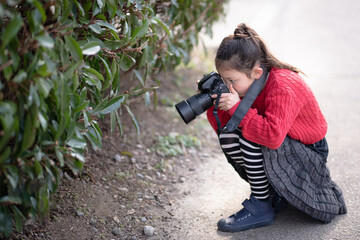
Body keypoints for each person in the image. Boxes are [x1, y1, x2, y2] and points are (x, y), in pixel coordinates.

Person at [206, 23, 347, 232]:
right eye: (224, 80)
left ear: (256, 72)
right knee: (229, 136)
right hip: (285, 144)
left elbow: (271, 136)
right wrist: (214, 101)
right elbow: (226, 128)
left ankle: (261, 205)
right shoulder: (249, 84)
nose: (228, 87)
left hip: (309, 151)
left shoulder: (282, 85)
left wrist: (237, 107)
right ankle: (272, 194)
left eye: (231, 81)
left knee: (249, 136)